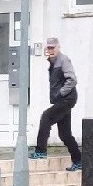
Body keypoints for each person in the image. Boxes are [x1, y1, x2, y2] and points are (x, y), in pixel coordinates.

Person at [32, 37, 82, 172]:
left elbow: (72, 79)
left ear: (58, 47)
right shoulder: (53, 62)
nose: (50, 50)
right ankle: (78, 160)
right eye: (48, 48)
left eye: (53, 47)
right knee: (64, 134)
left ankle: (41, 151)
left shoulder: (63, 60)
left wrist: (61, 93)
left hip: (67, 99)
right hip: (63, 100)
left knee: (46, 117)